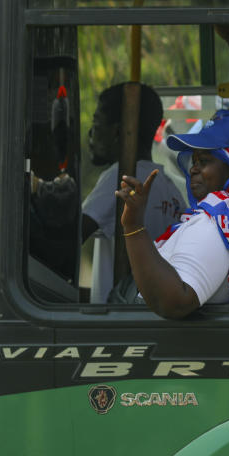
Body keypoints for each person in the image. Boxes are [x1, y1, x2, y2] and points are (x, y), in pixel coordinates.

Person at [115, 109, 229, 318]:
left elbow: (174, 302)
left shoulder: (212, 225)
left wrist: (134, 227)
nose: (193, 169)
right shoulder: (220, 217)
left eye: (205, 161)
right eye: (195, 161)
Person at [78, 82, 185, 302]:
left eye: (97, 124)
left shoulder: (120, 177)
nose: (91, 133)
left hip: (119, 314)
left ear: (118, 131)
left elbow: (73, 237)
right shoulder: (171, 190)